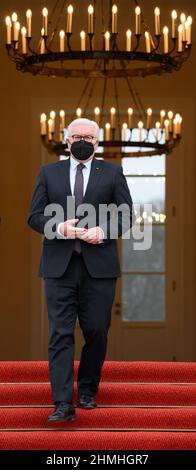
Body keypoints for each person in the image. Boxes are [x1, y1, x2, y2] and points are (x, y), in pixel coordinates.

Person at [28, 117, 133, 422]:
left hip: (99, 267)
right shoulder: (49, 173)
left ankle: (87, 389)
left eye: (89, 136)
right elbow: (34, 216)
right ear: (68, 140)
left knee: (97, 331)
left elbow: (126, 215)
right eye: (77, 136)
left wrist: (103, 232)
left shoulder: (112, 173)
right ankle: (62, 402)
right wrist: (58, 227)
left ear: (97, 143)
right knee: (60, 333)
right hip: (58, 267)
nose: (83, 140)